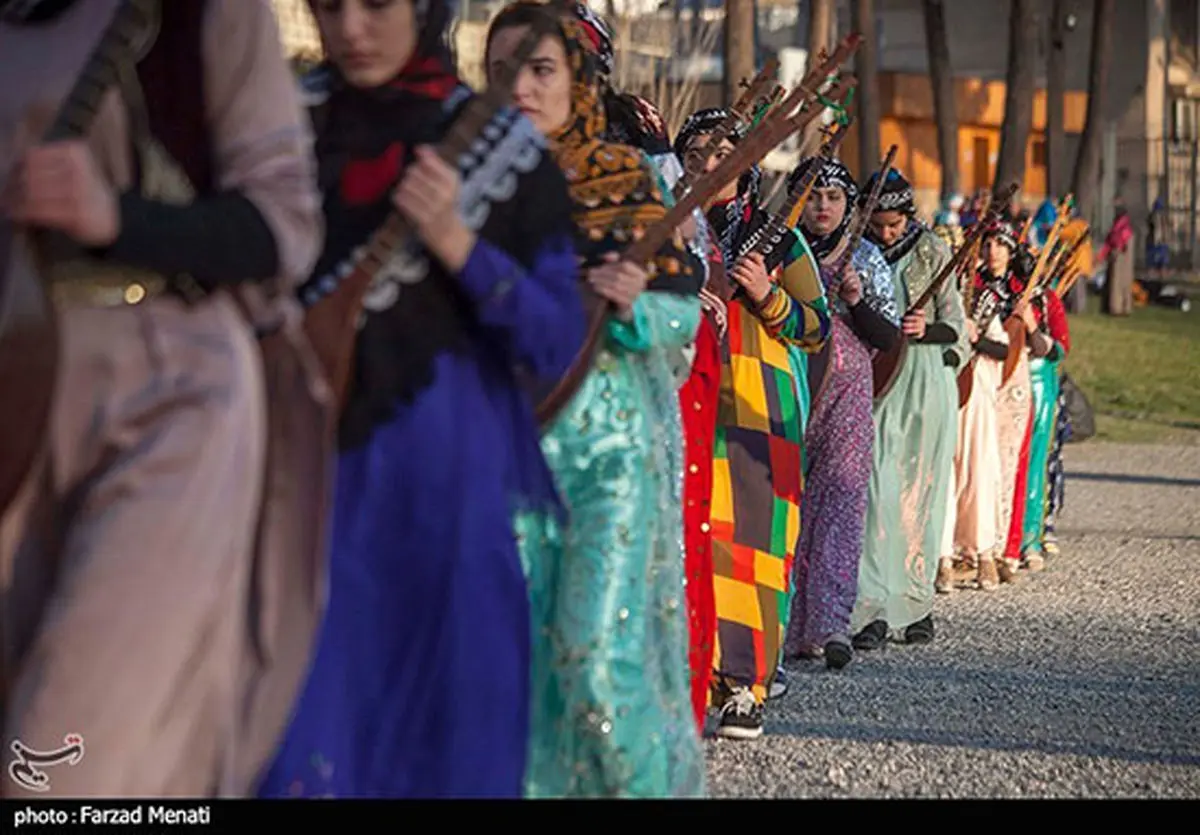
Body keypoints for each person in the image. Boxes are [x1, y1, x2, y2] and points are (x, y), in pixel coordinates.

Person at [258, 0, 586, 798]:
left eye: (376, 5)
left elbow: (555, 337)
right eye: (329, 7)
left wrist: (457, 243)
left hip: (446, 495)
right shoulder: (270, 132)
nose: (351, 30)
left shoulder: (505, 151)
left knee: (449, 743)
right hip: (295, 487)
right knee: (295, 734)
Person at [0, 0, 327, 796]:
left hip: (170, 392)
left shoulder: (207, 12)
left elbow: (282, 224)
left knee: (65, 746)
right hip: (18, 386)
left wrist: (116, 215)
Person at [485, 2, 705, 797]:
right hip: (503, 454)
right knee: (517, 664)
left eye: (539, 67)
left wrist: (636, 302)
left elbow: (685, 307)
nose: (520, 86)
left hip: (608, 452)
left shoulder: (625, 177)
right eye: (502, 68)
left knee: (593, 654)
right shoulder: (470, 186)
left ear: (577, 76)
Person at [674, 107, 830, 739]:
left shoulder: (779, 237)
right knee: (690, 534)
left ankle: (746, 682)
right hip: (685, 394)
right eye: (696, 157)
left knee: (754, 544)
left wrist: (768, 296)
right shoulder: (669, 229)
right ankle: (689, 673)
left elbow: (816, 328)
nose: (711, 167)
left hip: (758, 406)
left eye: (723, 155)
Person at [783, 156, 900, 664]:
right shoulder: (783, 252)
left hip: (848, 397)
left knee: (841, 504)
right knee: (785, 502)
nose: (823, 207)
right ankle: (782, 625)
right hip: (790, 385)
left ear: (850, 206)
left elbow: (888, 336)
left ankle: (830, 625)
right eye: (813, 197)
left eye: (833, 198)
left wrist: (856, 298)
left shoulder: (868, 258)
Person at [854, 169, 966, 645]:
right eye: (878, 225)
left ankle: (916, 601)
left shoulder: (932, 251)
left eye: (894, 225)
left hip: (924, 381)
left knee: (919, 490)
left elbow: (956, 323)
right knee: (875, 490)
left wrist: (927, 328)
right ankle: (871, 604)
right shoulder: (855, 252)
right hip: (877, 378)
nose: (886, 234)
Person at [1019, 280, 1071, 570]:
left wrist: (1032, 327)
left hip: (1038, 383)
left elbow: (1060, 348)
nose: (993, 253)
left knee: (1037, 459)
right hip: (994, 380)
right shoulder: (984, 286)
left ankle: (1030, 536)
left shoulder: (1045, 299)